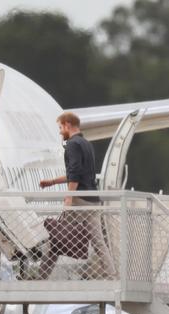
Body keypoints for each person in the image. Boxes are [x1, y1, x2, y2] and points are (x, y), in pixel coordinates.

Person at [39, 112, 117, 279]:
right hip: (92, 199)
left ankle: (41, 277)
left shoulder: (73, 144)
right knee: (98, 241)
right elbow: (79, 172)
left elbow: (74, 172)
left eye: (60, 127)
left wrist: (69, 197)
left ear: (68, 125)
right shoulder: (86, 144)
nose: (60, 131)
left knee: (55, 237)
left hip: (78, 200)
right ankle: (112, 275)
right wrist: (52, 181)